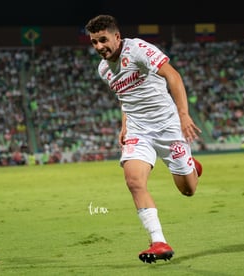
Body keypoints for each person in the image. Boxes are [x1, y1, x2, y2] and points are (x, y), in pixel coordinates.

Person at [85, 15, 203, 264]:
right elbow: (125, 96)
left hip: (168, 126)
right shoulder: (103, 69)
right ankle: (158, 241)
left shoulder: (138, 49)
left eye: (103, 40)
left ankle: (191, 166)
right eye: (94, 42)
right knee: (133, 181)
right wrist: (125, 125)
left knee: (188, 190)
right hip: (139, 130)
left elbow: (173, 76)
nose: (98, 47)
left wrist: (183, 115)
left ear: (117, 37)